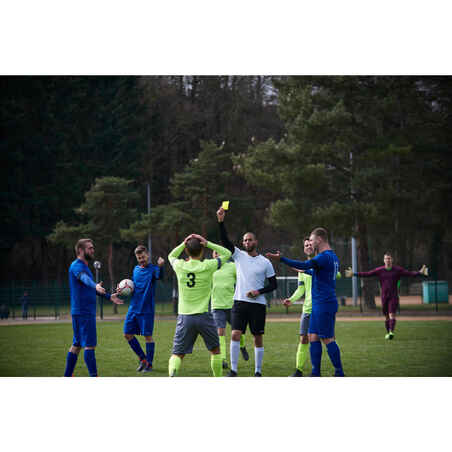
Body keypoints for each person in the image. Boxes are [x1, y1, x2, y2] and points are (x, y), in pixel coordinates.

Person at [266, 227, 345, 377]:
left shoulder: (325, 256)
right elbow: (313, 271)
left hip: (324, 303)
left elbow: (305, 265)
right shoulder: (331, 256)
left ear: (319, 240)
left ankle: (339, 373)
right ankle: (315, 372)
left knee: (327, 338)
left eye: (312, 240)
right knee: (313, 337)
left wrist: (281, 259)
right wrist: (302, 270)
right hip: (318, 304)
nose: (311, 242)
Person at [217, 206, 277, 377]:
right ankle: (234, 370)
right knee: (235, 334)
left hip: (257, 305)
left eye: (250, 240)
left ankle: (258, 371)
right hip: (239, 303)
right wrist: (221, 221)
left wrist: (258, 292)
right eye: (244, 240)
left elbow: (274, 285)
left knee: (257, 338)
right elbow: (225, 241)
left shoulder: (265, 262)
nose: (247, 243)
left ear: (255, 242)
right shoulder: (238, 255)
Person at [168, 233, 231, 377]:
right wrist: (208, 243)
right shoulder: (209, 265)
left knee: (177, 354)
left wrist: (184, 243)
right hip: (204, 316)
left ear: (186, 251)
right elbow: (227, 253)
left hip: (185, 317)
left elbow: (171, 256)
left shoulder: (180, 266)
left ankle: (172, 375)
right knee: (215, 351)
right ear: (202, 250)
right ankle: (218, 378)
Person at [64, 238, 123, 377]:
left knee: (77, 344)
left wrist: (109, 296)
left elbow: (89, 286)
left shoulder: (84, 266)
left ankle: (67, 376)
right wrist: (94, 284)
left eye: (92, 248)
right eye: (89, 248)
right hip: (84, 312)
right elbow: (84, 278)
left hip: (80, 311)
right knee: (89, 346)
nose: (92, 250)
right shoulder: (77, 265)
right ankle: (94, 376)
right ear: (80, 250)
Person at [345, 252, 428, 340]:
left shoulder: (397, 270)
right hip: (384, 297)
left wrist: (420, 272)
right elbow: (367, 274)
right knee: (386, 316)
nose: (387, 260)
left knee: (392, 314)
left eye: (389, 258)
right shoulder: (380, 270)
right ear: (384, 260)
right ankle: (388, 333)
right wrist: (354, 274)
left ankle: (391, 332)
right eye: (386, 258)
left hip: (394, 296)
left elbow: (410, 274)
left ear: (392, 260)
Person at [122, 245, 165, 373]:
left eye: (143, 257)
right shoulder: (135, 270)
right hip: (133, 308)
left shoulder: (153, 269)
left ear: (148, 255)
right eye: (139, 257)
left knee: (148, 336)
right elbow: (132, 287)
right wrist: (123, 289)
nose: (141, 259)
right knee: (127, 334)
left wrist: (161, 266)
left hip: (146, 309)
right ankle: (143, 359)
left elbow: (160, 277)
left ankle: (149, 364)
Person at [211, 250, 249, 370]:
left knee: (238, 330)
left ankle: (242, 346)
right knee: (220, 332)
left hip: (232, 305)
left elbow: (242, 279)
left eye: (219, 252)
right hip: (217, 306)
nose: (216, 254)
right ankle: (223, 359)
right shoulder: (209, 267)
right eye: (214, 252)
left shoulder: (232, 266)